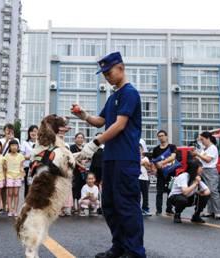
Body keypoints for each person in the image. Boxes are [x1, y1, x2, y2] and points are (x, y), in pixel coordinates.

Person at [72, 52, 145, 258]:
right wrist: (84, 115)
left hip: (125, 157)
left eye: (109, 72)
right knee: (110, 204)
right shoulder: (113, 96)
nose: (106, 76)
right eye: (103, 73)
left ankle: (135, 251)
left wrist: (94, 143)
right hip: (111, 158)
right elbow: (100, 121)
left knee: (127, 204)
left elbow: (119, 125)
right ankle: (119, 246)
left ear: (121, 68)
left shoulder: (130, 93)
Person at [192, 131, 220, 220]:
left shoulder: (213, 148)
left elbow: (208, 159)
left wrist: (197, 154)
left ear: (208, 138)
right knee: (206, 190)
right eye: (200, 140)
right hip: (203, 170)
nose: (201, 141)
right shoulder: (204, 148)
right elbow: (200, 159)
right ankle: (210, 211)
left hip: (210, 170)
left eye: (202, 139)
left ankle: (218, 212)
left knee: (213, 191)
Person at [152, 130, 176, 216]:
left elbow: (173, 157)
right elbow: (154, 161)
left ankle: (169, 209)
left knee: (170, 191)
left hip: (171, 172)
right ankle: (158, 210)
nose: (161, 137)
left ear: (166, 136)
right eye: (159, 136)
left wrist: (162, 162)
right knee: (159, 192)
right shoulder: (156, 149)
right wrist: (154, 169)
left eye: (162, 135)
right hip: (160, 174)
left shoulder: (172, 147)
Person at [4, 140, 25, 217]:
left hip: (18, 177)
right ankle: (10, 210)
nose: (14, 147)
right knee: (9, 194)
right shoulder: (6, 156)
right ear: (9, 147)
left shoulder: (21, 156)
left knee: (16, 194)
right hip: (9, 176)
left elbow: (22, 167)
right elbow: (5, 168)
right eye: (12, 145)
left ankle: (15, 210)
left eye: (15, 145)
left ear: (18, 147)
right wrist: (5, 177)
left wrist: (22, 175)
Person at [70, 132, 88, 214]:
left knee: (82, 187)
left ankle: (81, 206)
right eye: (78, 137)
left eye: (81, 138)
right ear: (75, 139)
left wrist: (86, 162)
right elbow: (72, 158)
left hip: (83, 171)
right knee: (75, 187)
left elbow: (88, 157)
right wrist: (81, 164)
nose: (80, 139)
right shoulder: (72, 147)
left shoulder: (84, 148)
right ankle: (74, 206)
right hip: (75, 170)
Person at [20, 125, 38, 197]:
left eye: (35, 131)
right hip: (28, 167)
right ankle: (27, 204)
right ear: (29, 133)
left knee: (37, 186)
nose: (33, 133)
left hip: (37, 167)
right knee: (28, 187)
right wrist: (30, 157)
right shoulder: (25, 143)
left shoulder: (40, 143)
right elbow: (21, 156)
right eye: (31, 131)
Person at [139, 145, 152, 217]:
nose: (138, 150)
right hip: (136, 178)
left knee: (145, 195)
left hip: (145, 179)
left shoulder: (146, 158)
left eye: (140, 149)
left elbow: (149, 168)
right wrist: (142, 163)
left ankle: (145, 209)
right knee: (137, 195)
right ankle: (137, 209)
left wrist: (145, 164)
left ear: (142, 150)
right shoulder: (133, 157)